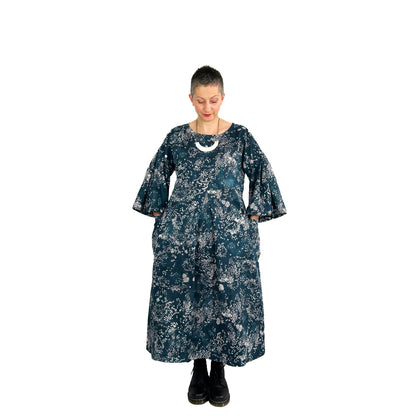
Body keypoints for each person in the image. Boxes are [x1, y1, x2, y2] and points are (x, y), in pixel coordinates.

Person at [132, 66, 287, 406]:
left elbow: (262, 171)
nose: (207, 107)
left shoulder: (240, 137)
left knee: (224, 300)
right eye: (200, 100)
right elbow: (157, 173)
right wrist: (159, 213)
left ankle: (219, 370)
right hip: (183, 236)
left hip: (229, 238)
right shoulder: (176, 137)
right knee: (191, 299)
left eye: (213, 100)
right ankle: (197, 369)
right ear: (191, 98)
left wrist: (254, 212)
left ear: (223, 98)